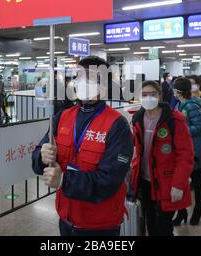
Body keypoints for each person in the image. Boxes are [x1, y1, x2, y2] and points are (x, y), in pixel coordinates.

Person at [31, 56, 133, 236]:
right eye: (78, 76)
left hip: (100, 225)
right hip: (66, 217)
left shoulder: (118, 125)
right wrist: (41, 156)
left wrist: (64, 180)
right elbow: (40, 150)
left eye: (90, 77)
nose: (81, 81)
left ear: (104, 85)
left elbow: (110, 179)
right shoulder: (63, 117)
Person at [129, 80, 194, 236]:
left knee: (163, 228)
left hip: (166, 183)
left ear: (160, 96)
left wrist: (178, 185)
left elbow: (185, 155)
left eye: (153, 94)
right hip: (144, 182)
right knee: (150, 226)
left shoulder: (173, 120)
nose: (148, 98)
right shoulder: (137, 118)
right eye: (144, 95)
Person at [172, 78, 201, 226]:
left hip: (196, 150)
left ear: (178, 91)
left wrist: (181, 131)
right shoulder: (180, 104)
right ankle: (182, 213)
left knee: (197, 182)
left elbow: (200, 126)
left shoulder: (191, 106)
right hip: (183, 150)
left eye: (174, 89)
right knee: (181, 182)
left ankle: (197, 212)